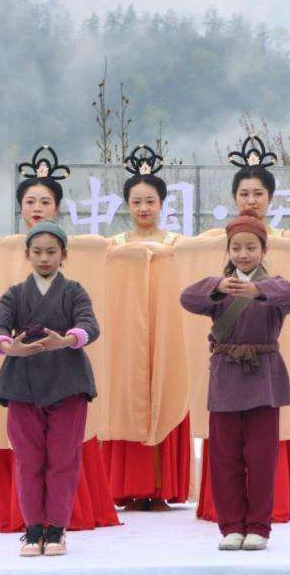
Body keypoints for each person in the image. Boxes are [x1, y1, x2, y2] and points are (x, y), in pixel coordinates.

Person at [180, 209, 290, 551]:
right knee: (224, 459)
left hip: (264, 379)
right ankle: (231, 527)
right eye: (236, 247)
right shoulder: (221, 288)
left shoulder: (274, 288)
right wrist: (217, 286)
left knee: (262, 458)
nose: (243, 254)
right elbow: (187, 298)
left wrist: (258, 290)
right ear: (228, 250)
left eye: (251, 247)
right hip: (225, 379)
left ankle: (259, 528)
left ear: (264, 250)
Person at [0, 221, 102, 556]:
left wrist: (67, 340)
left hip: (68, 383)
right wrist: (9, 346)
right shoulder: (14, 294)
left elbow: (90, 325)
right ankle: (33, 529)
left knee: (63, 459)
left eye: (52, 252)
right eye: (37, 252)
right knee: (28, 460)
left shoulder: (74, 291)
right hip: (21, 384)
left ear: (64, 254)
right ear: (27, 254)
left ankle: (57, 531)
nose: (44, 258)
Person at [101, 145, 190, 511]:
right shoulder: (113, 246)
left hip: (167, 336)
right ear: (127, 204)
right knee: (128, 399)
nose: (143, 208)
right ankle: (126, 487)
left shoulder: (178, 245)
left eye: (150, 201)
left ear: (162, 204)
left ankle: (161, 488)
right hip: (126, 337)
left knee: (166, 395)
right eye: (136, 201)